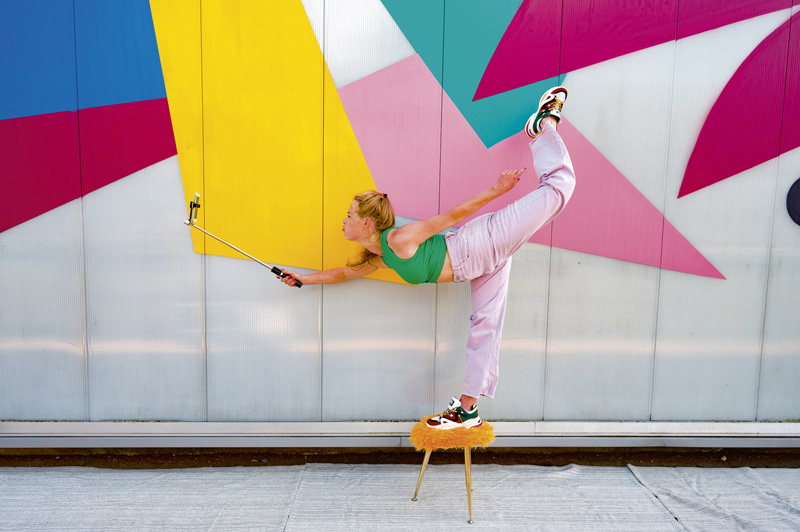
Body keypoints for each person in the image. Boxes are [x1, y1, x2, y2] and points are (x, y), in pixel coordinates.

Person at [279, 87, 575, 429]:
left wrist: (498, 190)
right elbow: (345, 273)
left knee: (559, 188)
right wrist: (302, 278)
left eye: (348, 216)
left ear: (365, 222)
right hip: (476, 265)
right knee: (486, 328)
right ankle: (467, 409)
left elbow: (450, 217)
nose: (343, 221)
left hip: (477, 245)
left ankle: (545, 125)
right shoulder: (383, 255)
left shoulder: (399, 239)